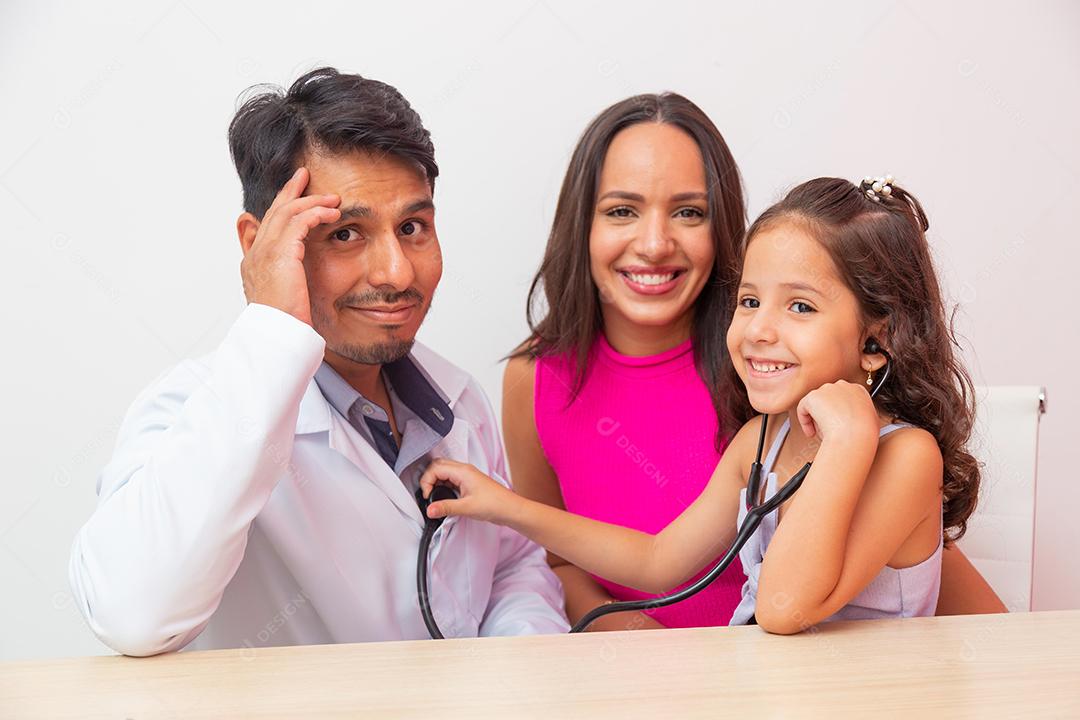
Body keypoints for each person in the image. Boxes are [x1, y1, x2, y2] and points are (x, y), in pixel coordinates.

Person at [67, 67, 568, 657]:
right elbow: (132, 614)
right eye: (345, 234)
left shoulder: (457, 403)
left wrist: (515, 671)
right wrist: (271, 327)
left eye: (412, 227)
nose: (397, 273)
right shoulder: (192, 409)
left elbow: (511, 569)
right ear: (260, 244)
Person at [421, 175, 989, 633]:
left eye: (800, 308)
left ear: (875, 340)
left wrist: (847, 442)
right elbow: (657, 561)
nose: (758, 330)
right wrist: (503, 506)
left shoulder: (905, 457)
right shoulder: (764, 439)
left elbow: (784, 607)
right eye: (750, 300)